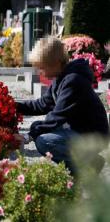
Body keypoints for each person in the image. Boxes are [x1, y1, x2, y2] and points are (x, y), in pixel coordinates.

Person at [15, 36, 109, 174]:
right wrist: (14, 105)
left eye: (42, 68)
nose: (40, 72)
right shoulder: (61, 78)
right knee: (37, 127)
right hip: (80, 130)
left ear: (57, 63)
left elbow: (57, 115)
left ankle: (86, 169)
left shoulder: (73, 81)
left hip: (93, 136)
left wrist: (28, 136)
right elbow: (42, 104)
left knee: (44, 141)